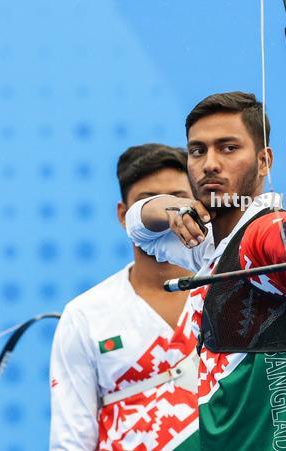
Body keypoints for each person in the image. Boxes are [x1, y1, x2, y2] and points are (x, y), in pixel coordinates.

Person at [125, 92, 286, 449]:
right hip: (225, 429)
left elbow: (280, 242)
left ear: (265, 161)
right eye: (198, 151)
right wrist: (173, 207)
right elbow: (138, 222)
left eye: (228, 148)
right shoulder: (205, 241)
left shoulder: (259, 233)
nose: (210, 164)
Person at [50, 144, 200, 450]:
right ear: (124, 215)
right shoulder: (85, 315)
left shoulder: (230, 291)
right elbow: (71, 440)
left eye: (177, 199)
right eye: (149, 203)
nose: (166, 214)